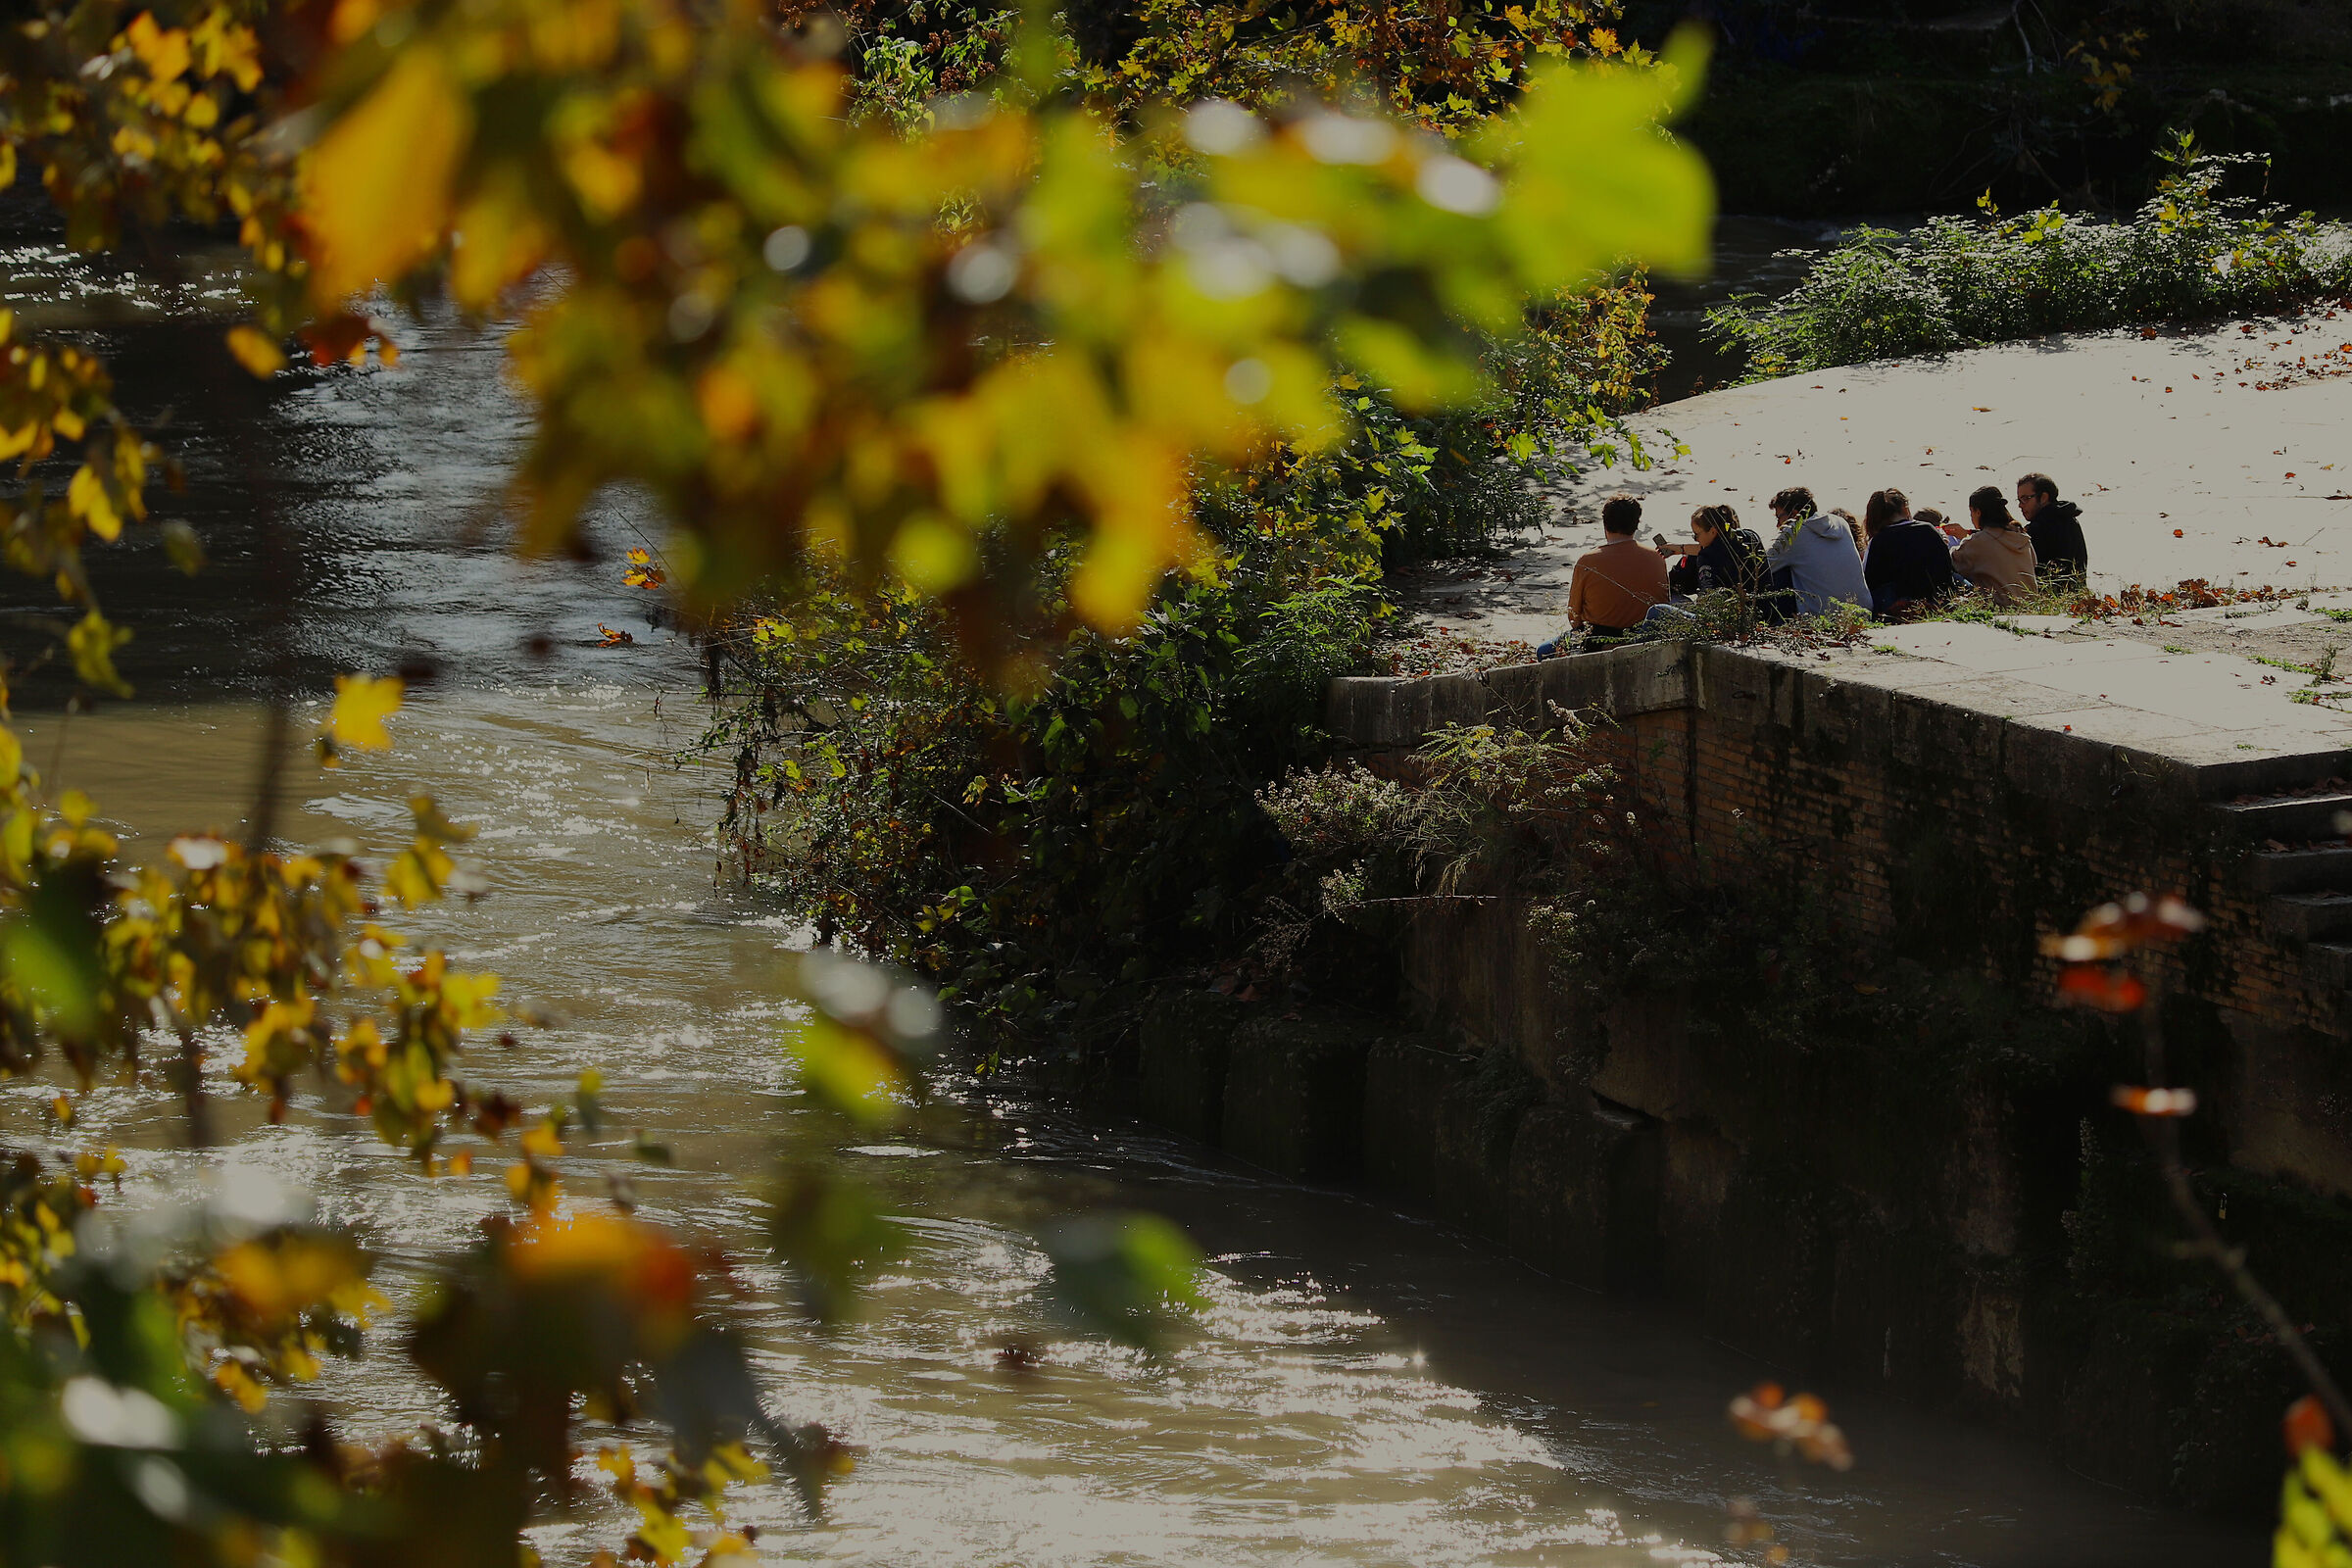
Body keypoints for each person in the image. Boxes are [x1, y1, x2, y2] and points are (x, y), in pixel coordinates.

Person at [1544, 493, 1669, 657]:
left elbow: (1574, 616)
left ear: (1605, 523)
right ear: (1636, 523)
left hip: (1598, 640)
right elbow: (1664, 602)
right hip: (1643, 638)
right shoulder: (1656, 557)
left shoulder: (1587, 561)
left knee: (1543, 652)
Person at [1762, 486, 1869, 619]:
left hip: (1826, 618)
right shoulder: (1840, 523)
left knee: (1776, 573)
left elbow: (1760, 568)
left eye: (1779, 517)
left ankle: (1777, 621)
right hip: (1864, 611)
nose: (1778, 525)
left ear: (1794, 514)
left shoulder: (1793, 533)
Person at [1860, 487, 1955, 619]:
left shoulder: (1878, 541)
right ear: (1905, 509)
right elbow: (1946, 569)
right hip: (1935, 602)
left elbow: (1869, 583)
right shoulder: (1928, 530)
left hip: (1895, 609)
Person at [1953, 484, 2037, 604]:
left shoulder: (1978, 541)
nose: (1971, 516)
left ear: (1978, 512)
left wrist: (1945, 541)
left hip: (2000, 606)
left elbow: (1953, 563)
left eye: (1971, 511)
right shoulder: (2021, 535)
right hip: (2030, 604)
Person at [1660, 503, 1766, 598]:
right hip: (1768, 609)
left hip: (1731, 616)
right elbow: (1718, 548)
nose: (1696, 539)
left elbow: (1707, 596)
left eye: (1696, 534)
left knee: (1656, 610)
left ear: (1713, 531)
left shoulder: (1707, 556)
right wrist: (1681, 548)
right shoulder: (1751, 536)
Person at [2017, 471, 2089, 584]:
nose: (2020, 505)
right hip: (2076, 595)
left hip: (2049, 596)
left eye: (2025, 498)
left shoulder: (2038, 529)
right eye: (2019, 500)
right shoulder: (2070, 518)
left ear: (2044, 497)